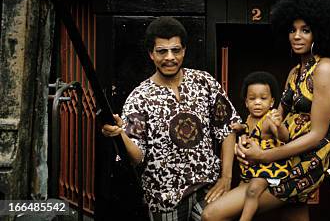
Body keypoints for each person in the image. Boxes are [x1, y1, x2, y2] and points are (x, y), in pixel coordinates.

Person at [202, 0, 330, 221]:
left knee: (212, 215)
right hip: (283, 157)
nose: (296, 36)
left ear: (320, 32)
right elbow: (273, 118)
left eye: (305, 30)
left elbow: (318, 134)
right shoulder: (294, 72)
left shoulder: (325, 69)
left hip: (307, 163)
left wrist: (266, 156)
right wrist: (248, 141)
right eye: (292, 30)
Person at [101, 16, 240, 220]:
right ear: (151, 53)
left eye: (175, 50)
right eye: (162, 51)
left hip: (208, 191)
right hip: (164, 200)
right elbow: (136, 157)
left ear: (184, 50)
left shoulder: (204, 82)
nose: (169, 57)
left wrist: (226, 177)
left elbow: (227, 127)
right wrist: (119, 134)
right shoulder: (140, 98)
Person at [231, 71, 290, 221]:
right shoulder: (250, 118)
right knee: (242, 187)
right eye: (252, 98)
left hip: (268, 166)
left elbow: (284, 137)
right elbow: (249, 128)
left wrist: (280, 125)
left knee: (253, 190)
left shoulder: (269, 120)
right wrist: (241, 127)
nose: (257, 102)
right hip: (253, 166)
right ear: (246, 102)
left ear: (271, 102)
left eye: (263, 98)